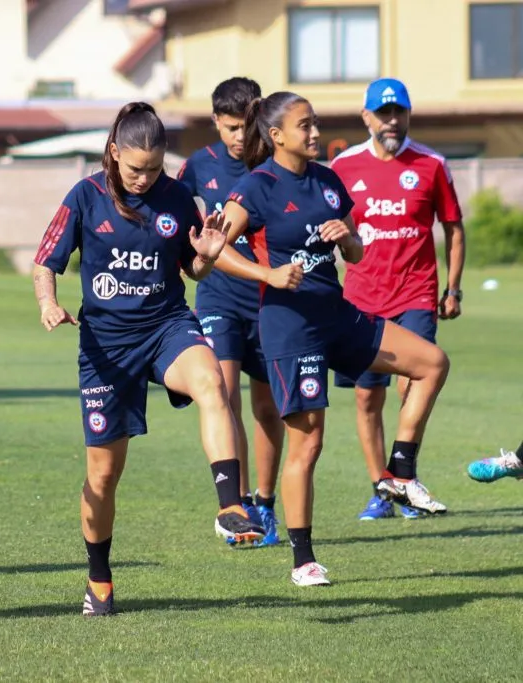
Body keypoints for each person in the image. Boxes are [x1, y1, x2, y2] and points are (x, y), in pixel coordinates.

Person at [32, 101, 265, 617]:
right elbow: (45, 262)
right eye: (135, 168)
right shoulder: (85, 197)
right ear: (113, 153)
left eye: (154, 169)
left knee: (212, 382)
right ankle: (99, 580)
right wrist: (48, 303)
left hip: (165, 326)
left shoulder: (178, 198)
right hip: (106, 349)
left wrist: (204, 254)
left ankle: (231, 504)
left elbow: (194, 273)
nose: (143, 178)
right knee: (103, 475)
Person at [215, 91, 450, 586]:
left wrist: (346, 237)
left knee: (432, 362)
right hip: (290, 329)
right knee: (309, 443)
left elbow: (358, 255)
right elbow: (216, 250)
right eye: (305, 126)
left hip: (339, 316)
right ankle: (303, 561)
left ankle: (399, 473)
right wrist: (269, 274)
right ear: (276, 136)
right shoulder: (258, 187)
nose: (316, 133)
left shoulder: (328, 180)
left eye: (316, 123)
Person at [330, 78, 464, 520]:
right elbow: (327, 226)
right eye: (383, 113)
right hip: (363, 297)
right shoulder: (343, 166)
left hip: (417, 292)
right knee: (368, 398)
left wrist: (453, 288)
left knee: (414, 381)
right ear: (365, 117)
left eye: (399, 112)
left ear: (408, 115)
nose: (392, 121)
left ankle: (404, 474)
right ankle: (380, 489)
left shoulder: (431, 164)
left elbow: (453, 226)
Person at [177, 76, 284, 545]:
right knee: (223, 395)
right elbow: (178, 224)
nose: (240, 138)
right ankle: (237, 507)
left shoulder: (276, 163)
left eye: (246, 126)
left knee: (267, 407)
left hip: (270, 298)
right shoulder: (198, 167)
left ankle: (265, 501)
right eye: (230, 128)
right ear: (217, 122)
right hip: (218, 297)